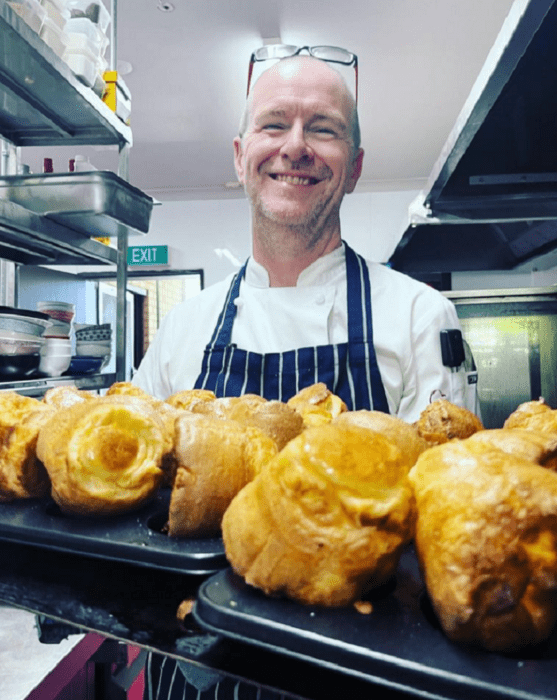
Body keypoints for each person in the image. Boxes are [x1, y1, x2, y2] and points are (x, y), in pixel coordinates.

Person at [136, 51, 466, 700]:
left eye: (323, 128)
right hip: (191, 668)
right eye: (273, 124)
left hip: (360, 673)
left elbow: (442, 526)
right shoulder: (183, 326)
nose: (295, 146)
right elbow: (134, 513)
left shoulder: (419, 315)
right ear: (239, 155)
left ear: (356, 166)